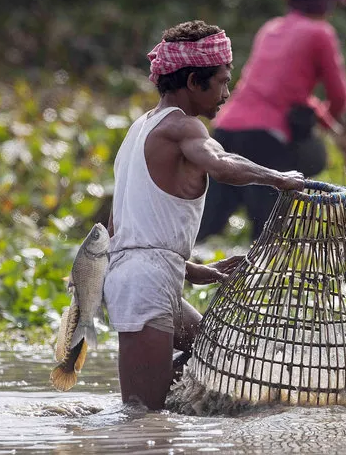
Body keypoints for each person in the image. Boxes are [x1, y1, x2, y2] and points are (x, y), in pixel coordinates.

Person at [102, 20, 305, 411]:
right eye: (223, 82)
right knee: (142, 416)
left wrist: (194, 270)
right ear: (195, 81)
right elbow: (221, 162)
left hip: (146, 274)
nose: (227, 94)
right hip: (144, 283)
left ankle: (174, 401)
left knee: (214, 350)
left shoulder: (140, 128)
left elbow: (123, 229)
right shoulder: (182, 127)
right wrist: (279, 179)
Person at [196, 0, 346, 243]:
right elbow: (341, 95)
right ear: (326, 5)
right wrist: (331, 122)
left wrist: (325, 122)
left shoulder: (270, 29)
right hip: (266, 138)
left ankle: (190, 271)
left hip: (225, 129)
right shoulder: (320, 33)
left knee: (207, 224)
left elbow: (283, 91)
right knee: (267, 233)